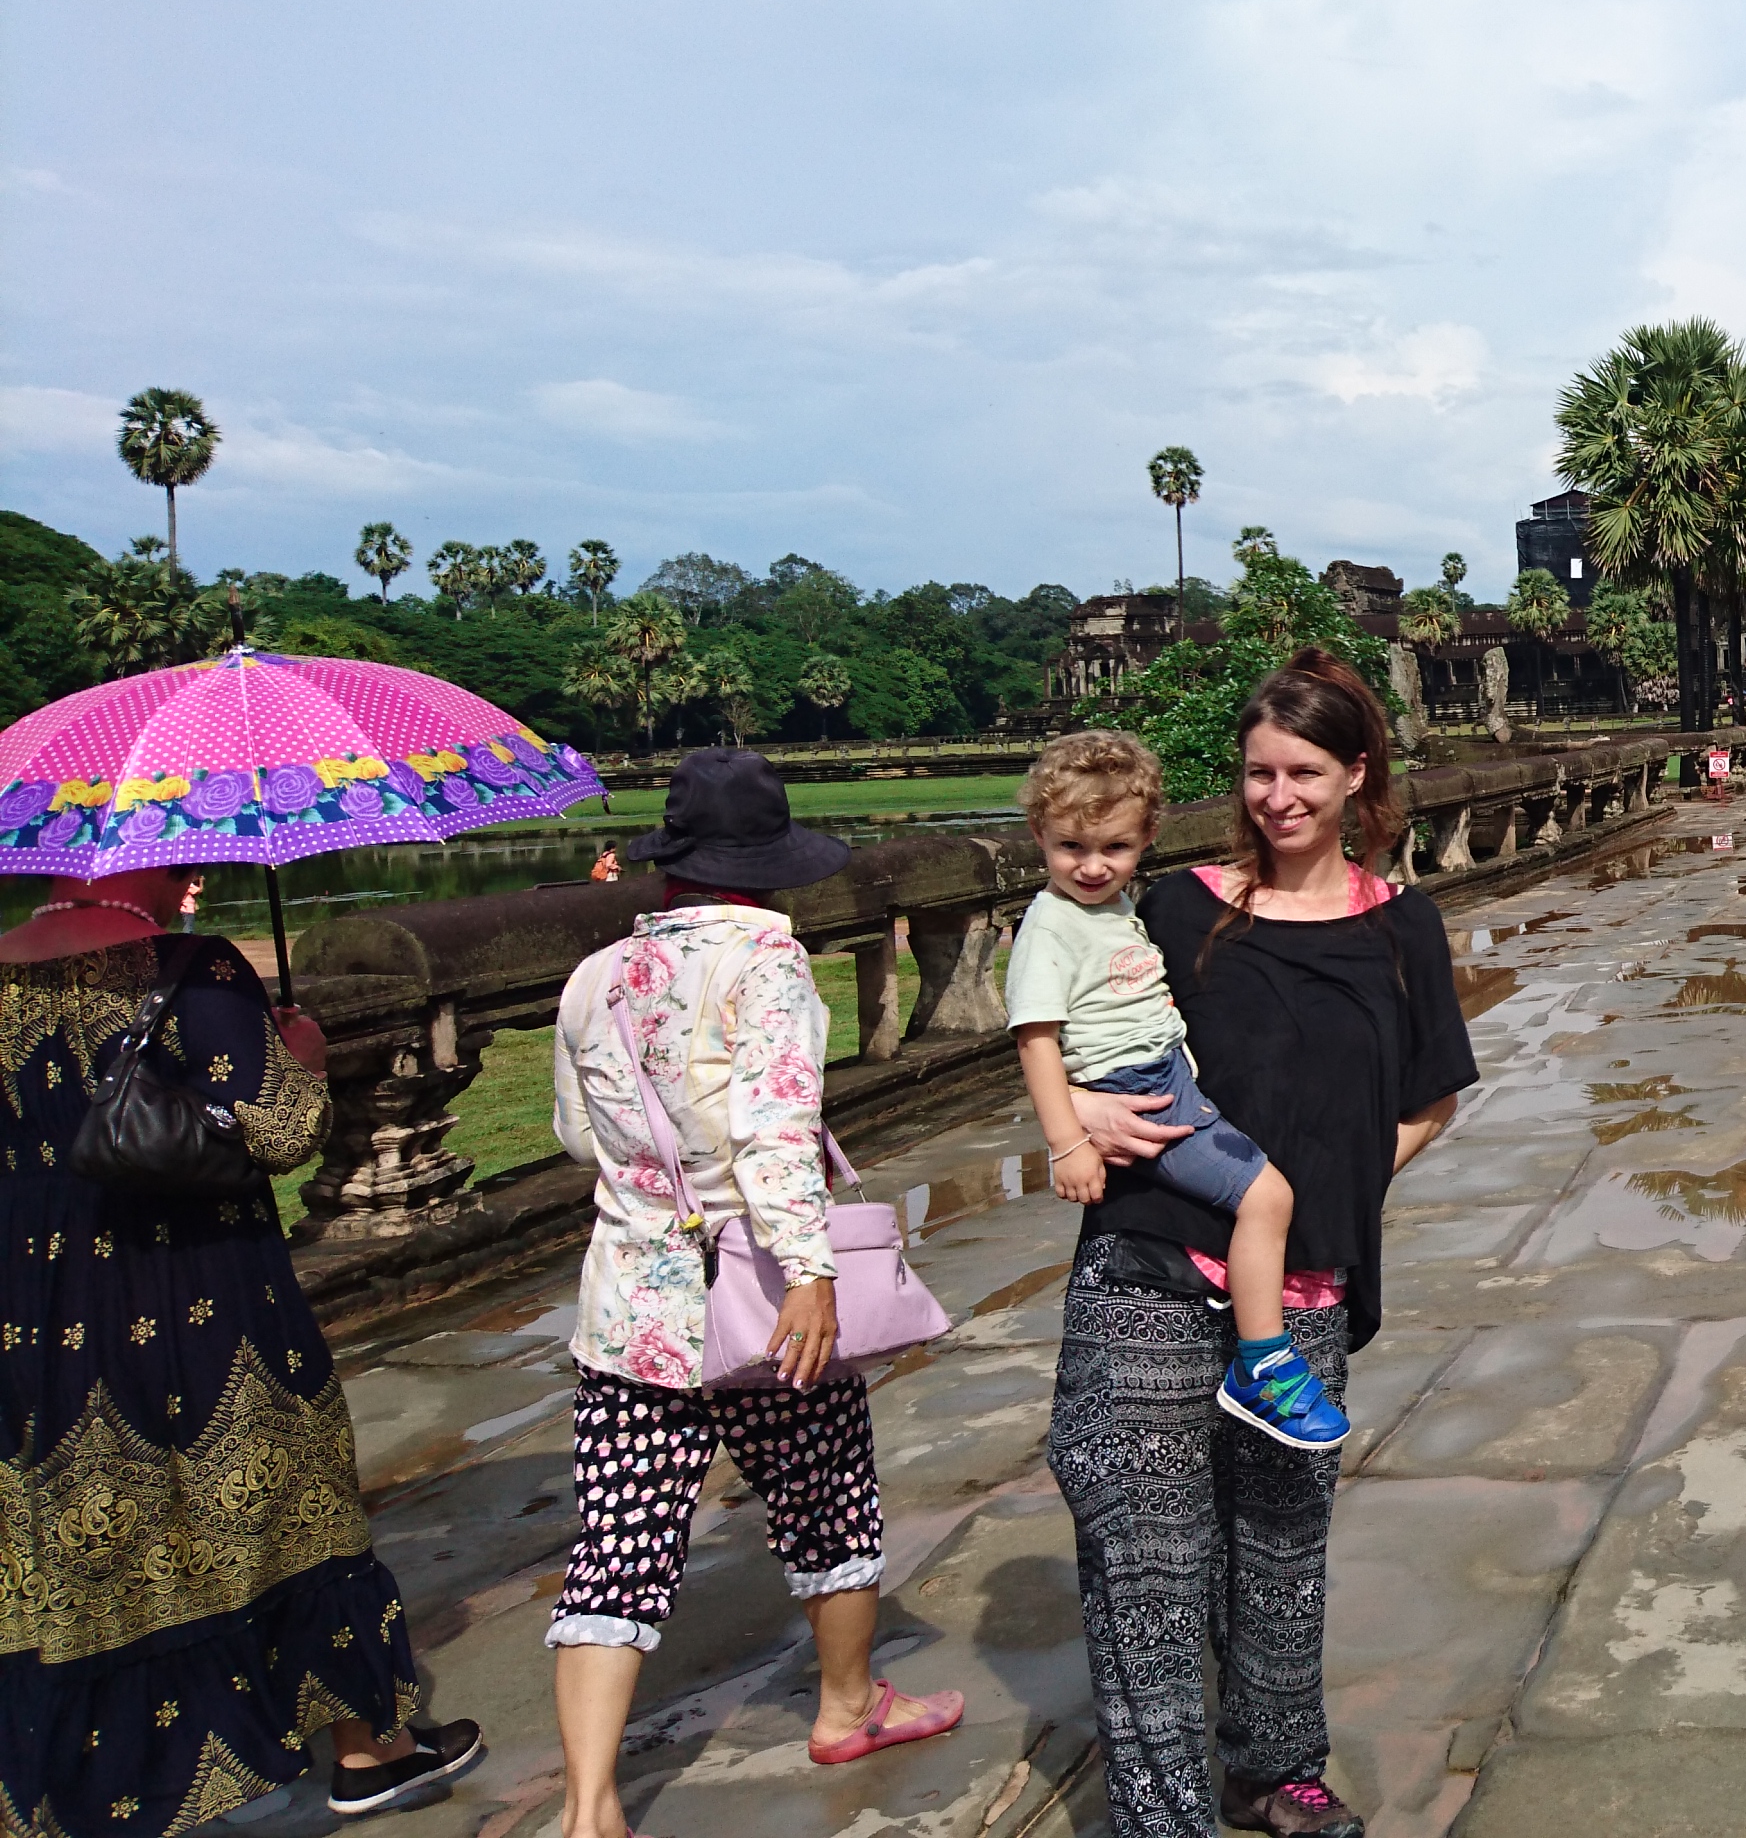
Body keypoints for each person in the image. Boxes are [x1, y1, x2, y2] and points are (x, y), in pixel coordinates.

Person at [1050, 652, 1475, 1838]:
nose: (1278, 796)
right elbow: (1059, 1029)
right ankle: (1163, 1813)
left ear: (1356, 778)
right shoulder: (1174, 909)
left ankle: (1273, 1766)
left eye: (1303, 773)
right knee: (1147, 1558)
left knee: (1281, 1543)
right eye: (1257, 773)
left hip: (1304, 1283)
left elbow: (1432, 1095)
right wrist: (1078, 1114)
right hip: (1145, 1259)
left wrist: (1333, 1187)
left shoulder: (1402, 927)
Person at [0, 869, 486, 1835]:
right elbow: (284, 1129)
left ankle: (92, 1789)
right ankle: (367, 1749)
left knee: (92, 1549)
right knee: (291, 1514)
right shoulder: (191, 968)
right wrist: (298, 1053)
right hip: (201, 1302)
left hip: (42, 1316)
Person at [544, 750, 964, 1838]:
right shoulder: (765, 966)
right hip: (761, 1292)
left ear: (674, 867)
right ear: (769, 870)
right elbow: (776, 1134)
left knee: (617, 1550)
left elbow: (575, 1135)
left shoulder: (598, 975)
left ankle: (590, 1808)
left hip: (629, 1306)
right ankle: (845, 1706)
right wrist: (812, 1271)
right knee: (827, 1501)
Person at [1010, 732, 1342, 1453]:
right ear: (1039, 834)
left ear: (1147, 838)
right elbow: (1034, 1038)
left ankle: (1243, 1313)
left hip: (1164, 1075)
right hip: (1139, 1090)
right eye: (1071, 847)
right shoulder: (1049, 925)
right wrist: (1067, 1138)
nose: (1093, 867)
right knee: (1268, 1196)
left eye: (1115, 849)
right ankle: (1265, 1363)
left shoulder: (1112, 906)